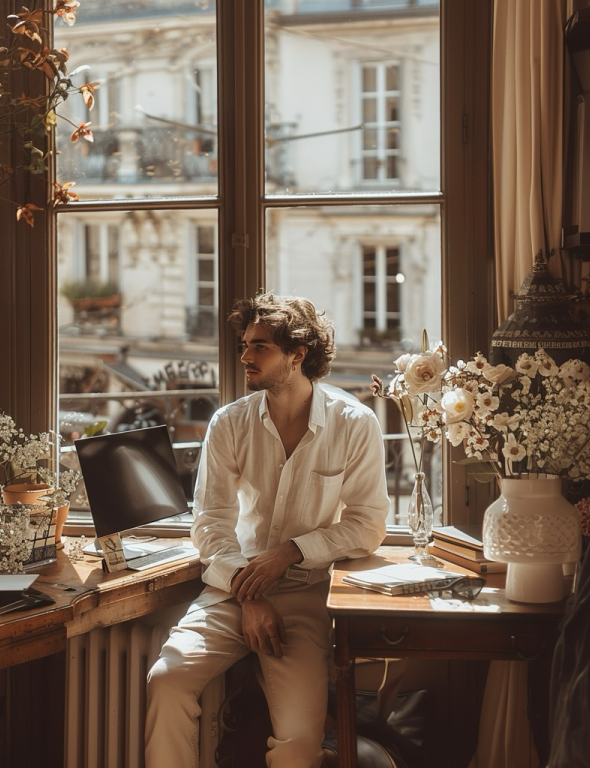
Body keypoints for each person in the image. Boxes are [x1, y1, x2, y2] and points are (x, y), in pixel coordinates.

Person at [145, 292, 390, 768]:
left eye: (260, 347)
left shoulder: (354, 424)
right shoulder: (229, 423)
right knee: (166, 680)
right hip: (234, 589)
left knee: (299, 742)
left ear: (298, 355)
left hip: (305, 594)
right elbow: (211, 521)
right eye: (245, 344)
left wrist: (291, 552)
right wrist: (249, 592)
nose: (245, 357)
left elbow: (368, 524)